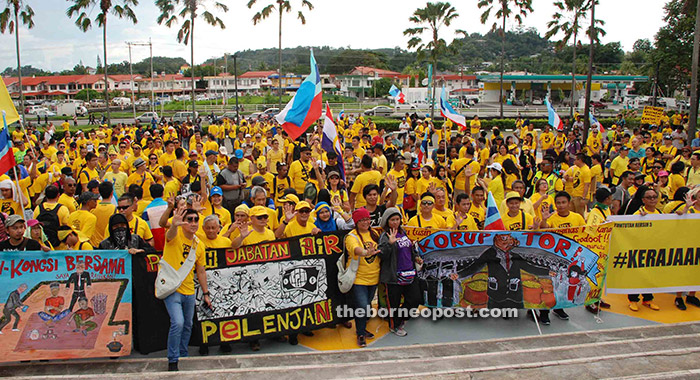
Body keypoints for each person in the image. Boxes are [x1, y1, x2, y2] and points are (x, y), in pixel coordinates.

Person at [161, 208, 212, 371]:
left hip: (189, 290)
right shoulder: (175, 234)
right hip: (172, 289)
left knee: (188, 324)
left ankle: (183, 354)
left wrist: (206, 293)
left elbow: (201, 270)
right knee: (178, 322)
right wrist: (174, 225)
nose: (193, 223)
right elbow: (169, 236)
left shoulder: (200, 245)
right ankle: (173, 359)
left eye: (196, 219)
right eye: (189, 219)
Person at [377, 207, 422, 337]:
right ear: (387, 221)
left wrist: (416, 258)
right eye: (392, 220)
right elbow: (382, 255)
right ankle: (394, 325)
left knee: (415, 299)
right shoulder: (385, 236)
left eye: (397, 219)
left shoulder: (403, 232)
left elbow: (409, 249)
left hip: (410, 273)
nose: (395, 222)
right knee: (394, 303)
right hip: (394, 276)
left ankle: (399, 318)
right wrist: (390, 244)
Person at [345, 208, 381, 348]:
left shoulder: (375, 233)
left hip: (374, 277)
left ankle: (362, 329)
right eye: (362, 220)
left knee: (367, 306)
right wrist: (366, 252)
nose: (365, 222)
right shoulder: (351, 237)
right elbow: (355, 249)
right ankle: (360, 333)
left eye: (367, 219)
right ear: (356, 222)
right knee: (363, 306)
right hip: (359, 278)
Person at [625, 186, 660, 312]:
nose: (652, 200)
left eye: (654, 197)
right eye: (649, 197)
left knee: (650, 276)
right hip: (639, 249)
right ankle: (633, 299)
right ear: (643, 200)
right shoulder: (638, 214)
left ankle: (648, 299)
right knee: (637, 275)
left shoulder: (660, 213)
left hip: (653, 249)